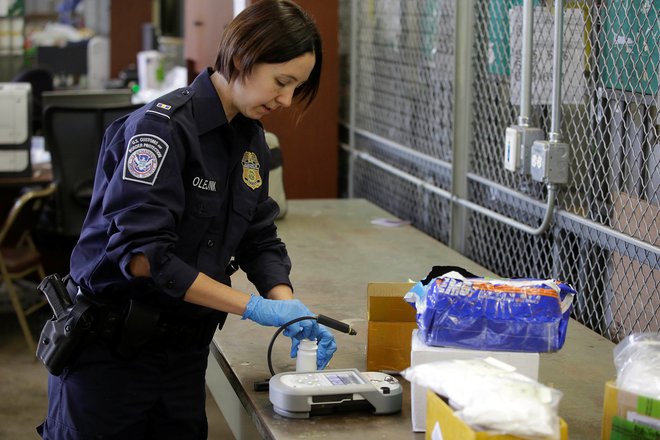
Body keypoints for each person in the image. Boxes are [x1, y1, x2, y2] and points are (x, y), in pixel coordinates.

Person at [37, 1, 336, 438]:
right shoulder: (161, 131)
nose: (287, 100)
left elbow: (258, 235)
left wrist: (286, 303)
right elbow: (142, 258)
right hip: (111, 358)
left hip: (182, 358)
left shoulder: (250, 139)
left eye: (296, 88)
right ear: (240, 59)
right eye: (282, 82)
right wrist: (255, 308)